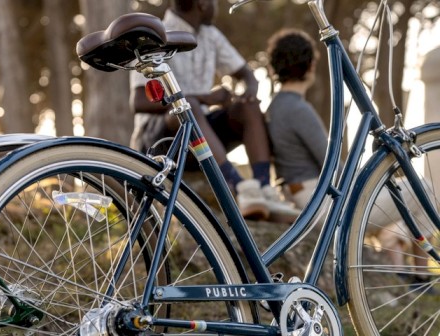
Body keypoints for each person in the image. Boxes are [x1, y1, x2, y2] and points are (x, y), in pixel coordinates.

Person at [266, 28, 436, 287]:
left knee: (396, 195)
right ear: (310, 64)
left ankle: (399, 258)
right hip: (320, 201)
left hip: (301, 195)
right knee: (422, 187)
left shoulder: (275, 106)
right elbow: (333, 165)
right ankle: (420, 276)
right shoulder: (297, 108)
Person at [129, 0, 299, 222]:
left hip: (199, 136)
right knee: (188, 108)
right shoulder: (155, 35)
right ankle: (238, 188)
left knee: (247, 107)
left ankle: (264, 189)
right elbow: (139, 102)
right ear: (201, 3)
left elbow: (246, 75)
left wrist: (247, 92)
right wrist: (204, 98)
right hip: (160, 139)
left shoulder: (210, 35)